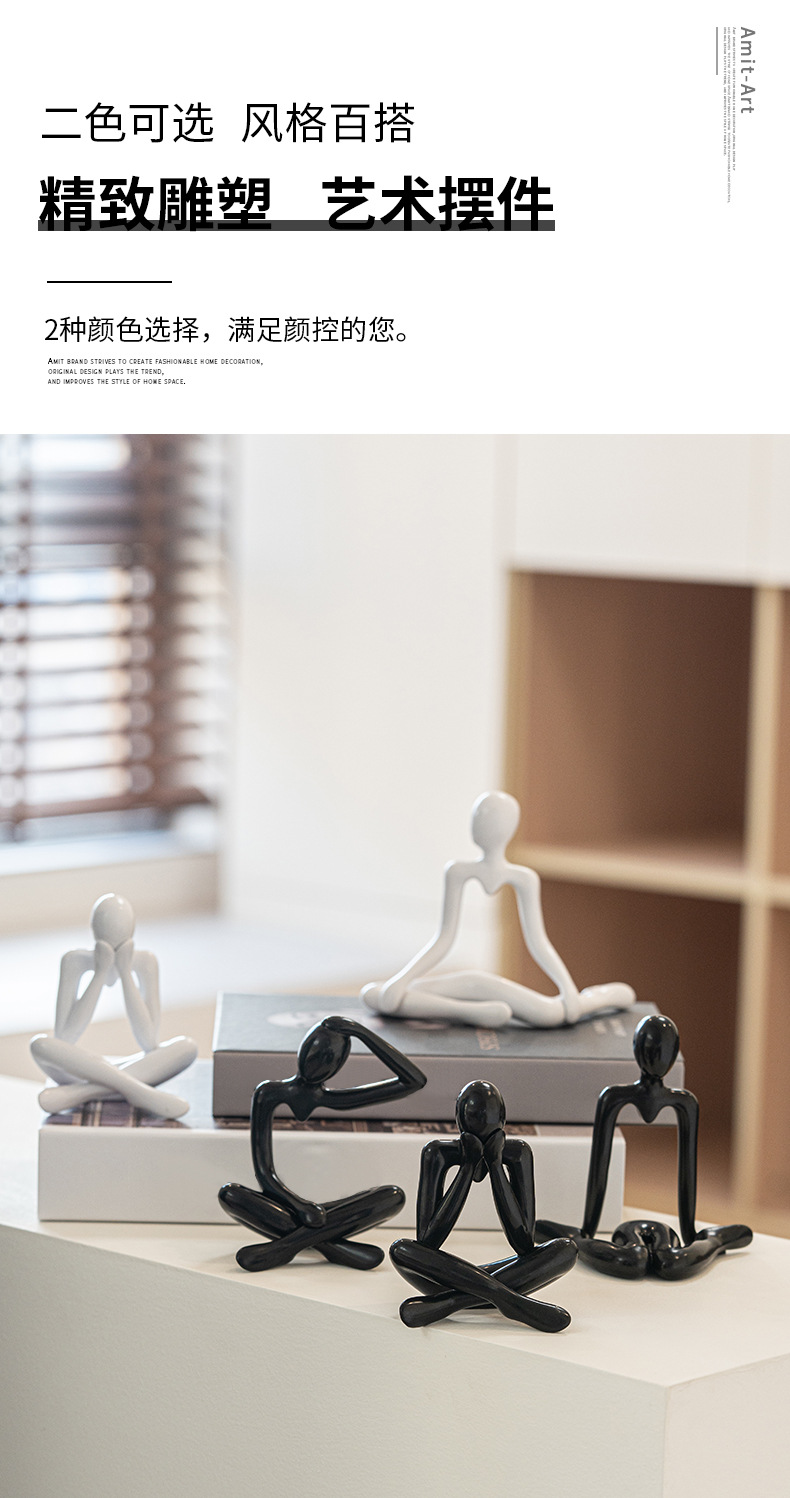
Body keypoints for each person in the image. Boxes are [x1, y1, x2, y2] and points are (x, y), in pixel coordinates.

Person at [363, 790, 636, 1028]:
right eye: (478, 816)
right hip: (470, 982)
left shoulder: (523, 878)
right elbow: (444, 939)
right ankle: (472, 1013)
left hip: (493, 988)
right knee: (374, 994)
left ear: (510, 828)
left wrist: (568, 989)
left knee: (550, 1014)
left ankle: (598, 998)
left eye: (489, 818)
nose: (480, 824)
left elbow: (538, 942)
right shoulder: (458, 871)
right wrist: (402, 980)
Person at [536, 1014, 753, 1279]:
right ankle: (575, 1239)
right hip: (627, 1236)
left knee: (673, 1263)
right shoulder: (613, 1097)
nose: (656, 1059)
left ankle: (714, 1240)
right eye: (649, 1049)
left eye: (664, 1052)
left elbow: (688, 1172)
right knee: (631, 1261)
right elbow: (599, 1167)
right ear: (636, 1049)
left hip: (667, 1237)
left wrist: (690, 1233)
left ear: (674, 1054)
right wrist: (588, 1229)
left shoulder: (685, 1103)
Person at [219, 1014, 427, 1271]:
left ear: (338, 1066)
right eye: (312, 1053)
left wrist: (361, 1032)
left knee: (392, 1197)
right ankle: (331, 1245)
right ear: (302, 1050)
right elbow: (264, 1174)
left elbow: (414, 1081)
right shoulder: (268, 1093)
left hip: (317, 1213)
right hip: (287, 1206)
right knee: (231, 1194)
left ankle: (287, 1246)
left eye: (329, 1059)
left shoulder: (337, 1099)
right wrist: (301, 1207)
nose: (316, 1064)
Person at [390, 1078, 577, 1328]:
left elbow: (523, 1244)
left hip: (446, 1286)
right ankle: (509, 1301)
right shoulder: (437, 1152)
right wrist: (467, 1168)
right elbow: (428, 1242)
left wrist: (496, 1165)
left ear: (503, 1122)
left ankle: (455, 1301)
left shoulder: (518, 1153)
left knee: (565, 1250)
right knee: (402, 1250)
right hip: (468, 1280)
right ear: (460, 1123)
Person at [30, 893, 196, 1120]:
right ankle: (138, 1091)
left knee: (187, 1048)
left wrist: (126, 974)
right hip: (74, 1073)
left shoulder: (145, 961)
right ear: (93, 930)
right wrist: (99, 973)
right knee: (40, 1045)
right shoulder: (74, 960)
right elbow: (65, 1038)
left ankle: (83, 1093)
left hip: (82, 1080)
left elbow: (149, 1042)